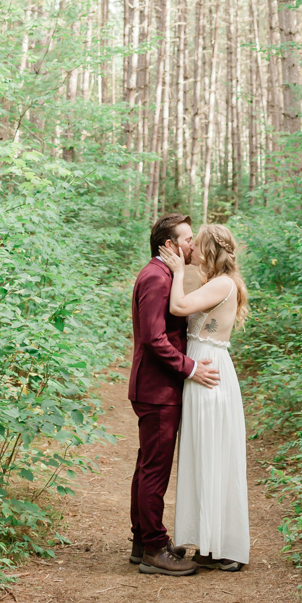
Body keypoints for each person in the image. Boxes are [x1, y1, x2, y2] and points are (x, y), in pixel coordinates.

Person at [128, 212, 220, 577]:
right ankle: (152, 549)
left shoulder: (164, 274)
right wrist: (191, 368)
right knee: (154, 471)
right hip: (157, 389)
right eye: (187, 240)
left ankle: (143, 540)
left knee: (146, 466)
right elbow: (154, 339)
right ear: (169, 246)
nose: (193, 244)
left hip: (157, 388)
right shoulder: (156, 277)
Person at [160, 223, 250, 572]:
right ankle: (211, 543)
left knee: (214, 454)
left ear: (209, 250)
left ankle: (227, 545)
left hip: (209, 372)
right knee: (204, 454)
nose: (190, 250)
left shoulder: (223, 284)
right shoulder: (215, 281)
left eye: (195, 245)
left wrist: (180, 271)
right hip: (203, 369)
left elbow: (181, 306)